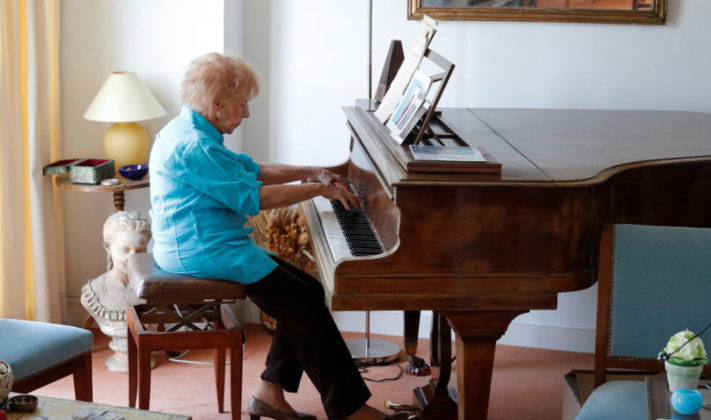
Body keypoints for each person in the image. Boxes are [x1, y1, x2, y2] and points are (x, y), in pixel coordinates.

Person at [149, 52, 407, 420]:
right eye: (242, 104)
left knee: (309, 292)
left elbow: (255, 171)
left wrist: (314, 172)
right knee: (302, 304)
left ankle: (270, 393)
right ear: (216, 103)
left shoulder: (194, 129)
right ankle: (348, 410)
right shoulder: (195, 146)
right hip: (201, 247)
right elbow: (254, 199)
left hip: (209, 240)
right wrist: (317, 190)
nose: (247, 113)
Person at [80, 211, 151, 372]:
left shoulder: (153, 289)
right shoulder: (92, 294)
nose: (132, 258)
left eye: (139, 251)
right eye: (124, 250)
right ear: (108, 247)